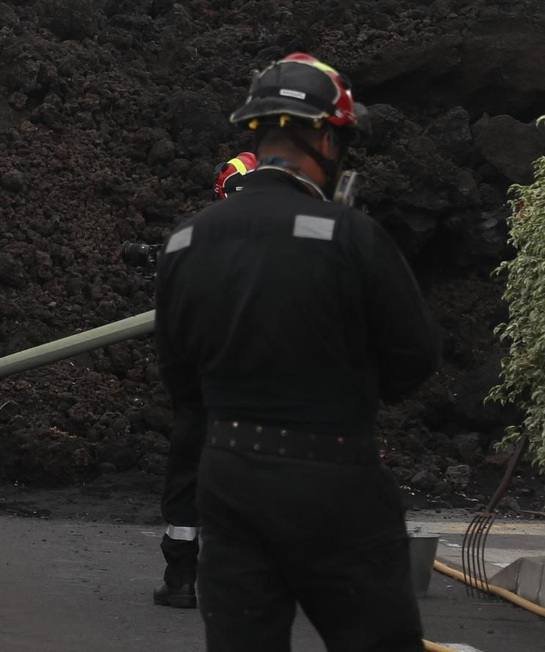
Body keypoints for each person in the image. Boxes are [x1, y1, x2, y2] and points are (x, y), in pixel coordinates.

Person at [156, 53, 442, 651]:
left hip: (229, 475)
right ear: (321, 136)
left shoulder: (185, 240)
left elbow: (178, 372)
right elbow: (414, 358)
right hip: (334, 479)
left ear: (258, 134)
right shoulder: (350, 237)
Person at [155, 150, 260, 610]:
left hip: (199, 393)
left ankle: (181, 579)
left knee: (186, 479)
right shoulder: (297, 240)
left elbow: (170, 328)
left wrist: (184, 395)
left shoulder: (189, 241)